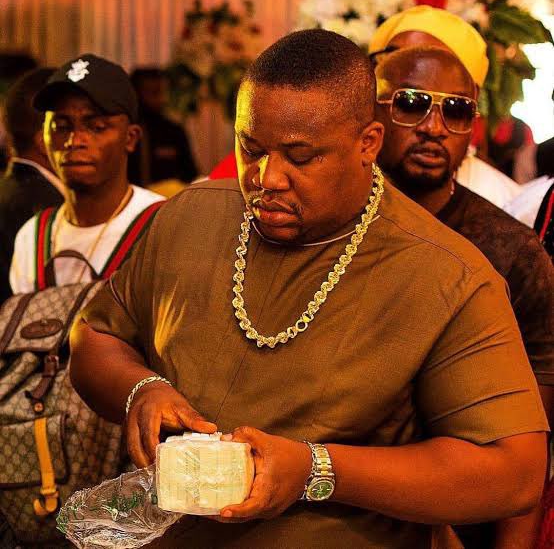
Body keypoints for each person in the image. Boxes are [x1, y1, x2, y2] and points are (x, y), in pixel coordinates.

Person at [70, 30, 547, 548]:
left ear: (368, 143)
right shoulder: (190, 217)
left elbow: (514, 472)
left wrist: (316, 471)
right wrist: (141, 390)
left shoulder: (448, 274)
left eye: (300, 157)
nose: (267, 177)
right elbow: (95, 336)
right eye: (251, 148)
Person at [374, 45, 554, 548]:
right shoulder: (332, 226)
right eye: (412, 103)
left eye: (455, 111)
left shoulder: (512, 251)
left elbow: (532, 435)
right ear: (372, 114)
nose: (434, 127)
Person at [9, 54, 164, 293]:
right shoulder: (32, 237)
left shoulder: (162, 226)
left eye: (96, 127)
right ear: (43, 137)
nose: (75, 140)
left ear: (130, 138)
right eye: (61, 127)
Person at [369, 5, 522, 211]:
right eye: (411, 99)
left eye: (436, 60)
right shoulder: (339, 185)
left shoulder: (506, 203)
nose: (433, 127)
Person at [0, 67, 64, 303]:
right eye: (67, 127)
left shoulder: (9, 191)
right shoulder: (50, 211)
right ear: (45, 140)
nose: (81, 140)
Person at [128, 67, 198, 187]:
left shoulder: (174, 131)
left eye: (162, 92)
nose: (161, 99)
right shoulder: (125, 132)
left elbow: (190, 175)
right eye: (153, 92)